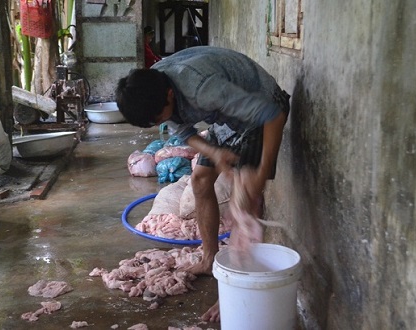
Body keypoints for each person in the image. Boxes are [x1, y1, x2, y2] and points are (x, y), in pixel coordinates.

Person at [115, 46, 290, 322]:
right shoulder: (154, 87)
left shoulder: (200, 88)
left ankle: (236, 293)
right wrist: (215, 153)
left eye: (160, 117)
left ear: (170, 96)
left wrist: (260, 172)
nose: (162, 122)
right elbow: (182, 129)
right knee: (200, 179)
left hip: (262, 109)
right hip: (227, 117)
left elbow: (273, 114)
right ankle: (209, 258)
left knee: (245, 203)